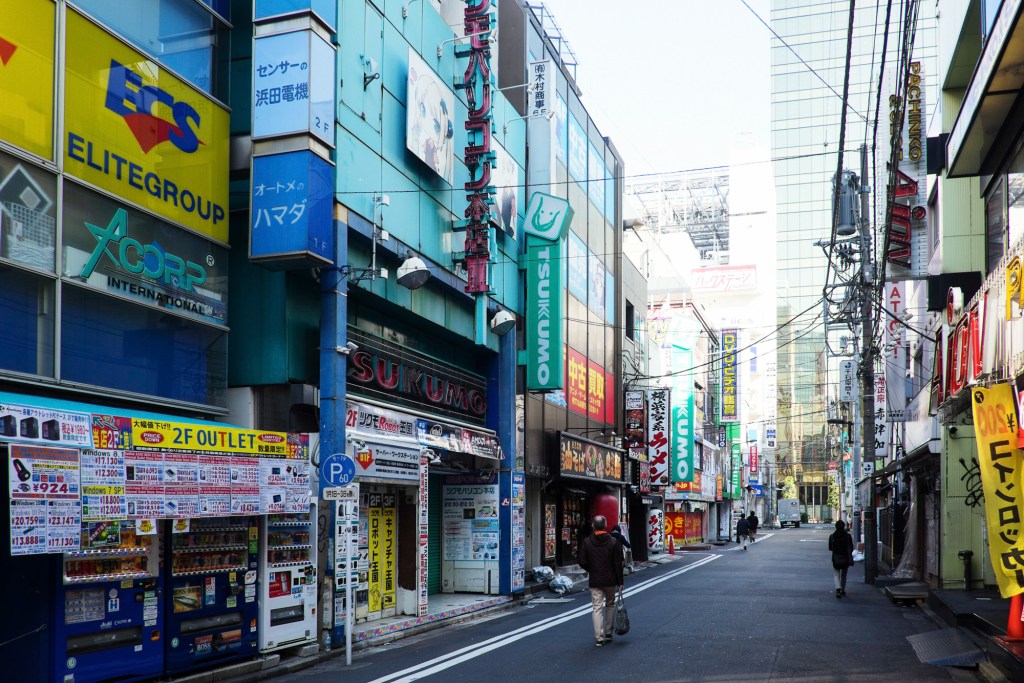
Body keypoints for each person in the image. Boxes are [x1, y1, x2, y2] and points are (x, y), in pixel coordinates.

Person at [578, 515, 624, 646]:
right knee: (610, 604)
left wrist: (591, 569)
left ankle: (599, 638)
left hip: (595, 579)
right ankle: (608, 632)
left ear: (593, 525)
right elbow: (618, 563)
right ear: (606, 525)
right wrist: (620, 582)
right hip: (610, 579)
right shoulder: (613, 542)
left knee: (597, 607)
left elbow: (581, 560)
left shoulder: (587, 541)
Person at [829, 519, 854, 598]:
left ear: (836, 527)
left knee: (836, 574)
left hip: (836, 557)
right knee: (844, 575)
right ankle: (843, 590)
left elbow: (830, 548)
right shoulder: (848, 536)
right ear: (844, 527)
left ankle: (838, 589)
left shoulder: (832, 536)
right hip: (845, 558)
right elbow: (851, 547)